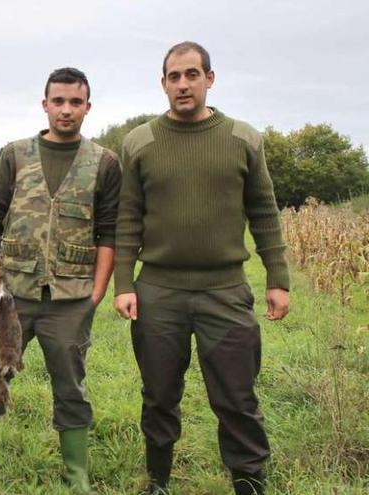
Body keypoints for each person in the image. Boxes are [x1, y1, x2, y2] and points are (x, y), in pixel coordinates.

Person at [113, 41, 290, 495]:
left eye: (192, 74)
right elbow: (128, 217)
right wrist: (124, 283)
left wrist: (278, 278)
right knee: (159, 397)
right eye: (174, 76)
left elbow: (265, 212)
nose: (183, 84)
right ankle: (158, 481)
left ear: (210, 79)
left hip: (225, 289)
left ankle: (248, 482)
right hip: (158, 292)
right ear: (163, 84)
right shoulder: (139, 142)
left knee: (237, 397)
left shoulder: (243, 139)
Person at [0, 67, 121, 492]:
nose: (66, 110)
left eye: (75, 102)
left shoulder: (105, 162)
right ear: (45, 104)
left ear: (87, 107)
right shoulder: (16, 154)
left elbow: (111, 231)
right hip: (12, 294)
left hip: (71, 295)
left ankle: (76, 472)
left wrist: (96, 292)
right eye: (58, 101)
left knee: (70, 385)